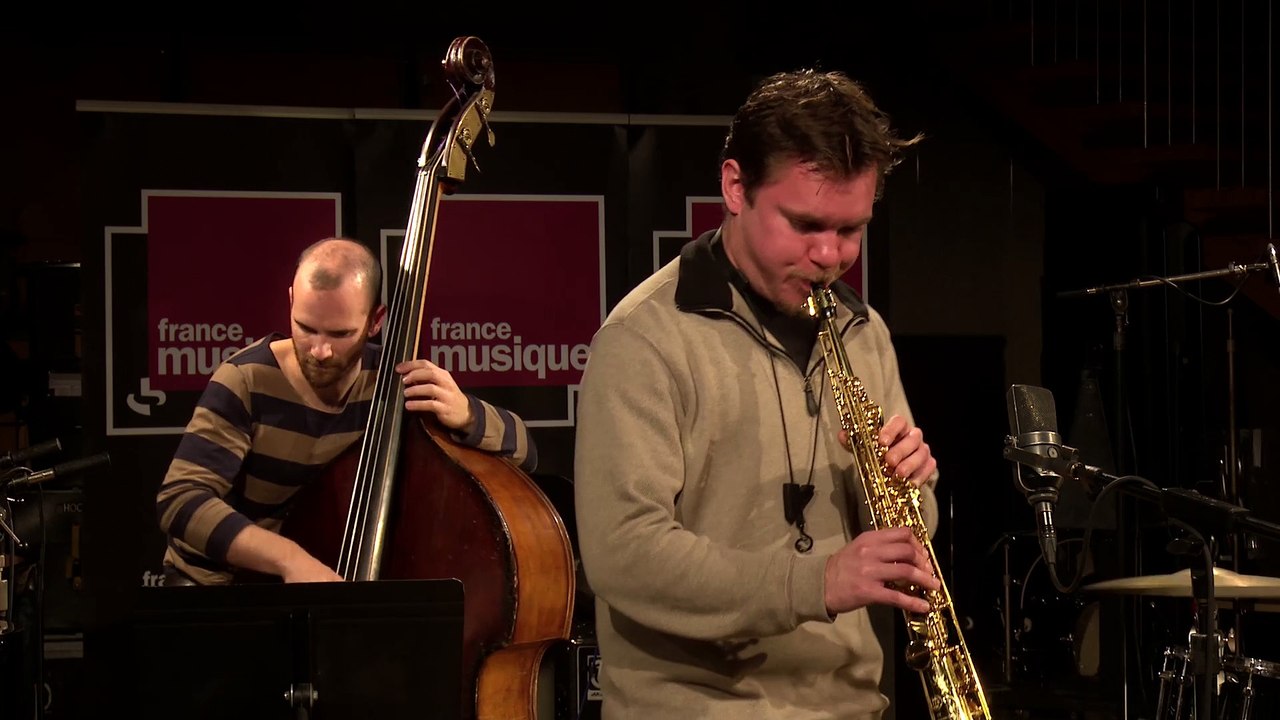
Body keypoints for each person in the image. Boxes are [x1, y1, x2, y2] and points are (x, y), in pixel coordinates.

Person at [572, 69, 943, 719]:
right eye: (805, 224)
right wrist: (817, 582)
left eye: (851, 230)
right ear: (735, 187)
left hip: (849, 706)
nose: (829, 255)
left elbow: (908, 538)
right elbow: (623, 553)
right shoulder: (644, 338)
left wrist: (909, 494)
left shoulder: (864, 332)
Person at [155, 236, 538, 586]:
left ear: (375, 321)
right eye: (306, 328)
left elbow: (526, 453)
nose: (320, 351)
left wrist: (468, 415)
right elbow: (182, 499)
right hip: (226, 587)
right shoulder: (245, 380)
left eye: (339, 334)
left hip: (330, 588)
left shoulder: (394, 385)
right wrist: (289, 559)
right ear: (291, 301)